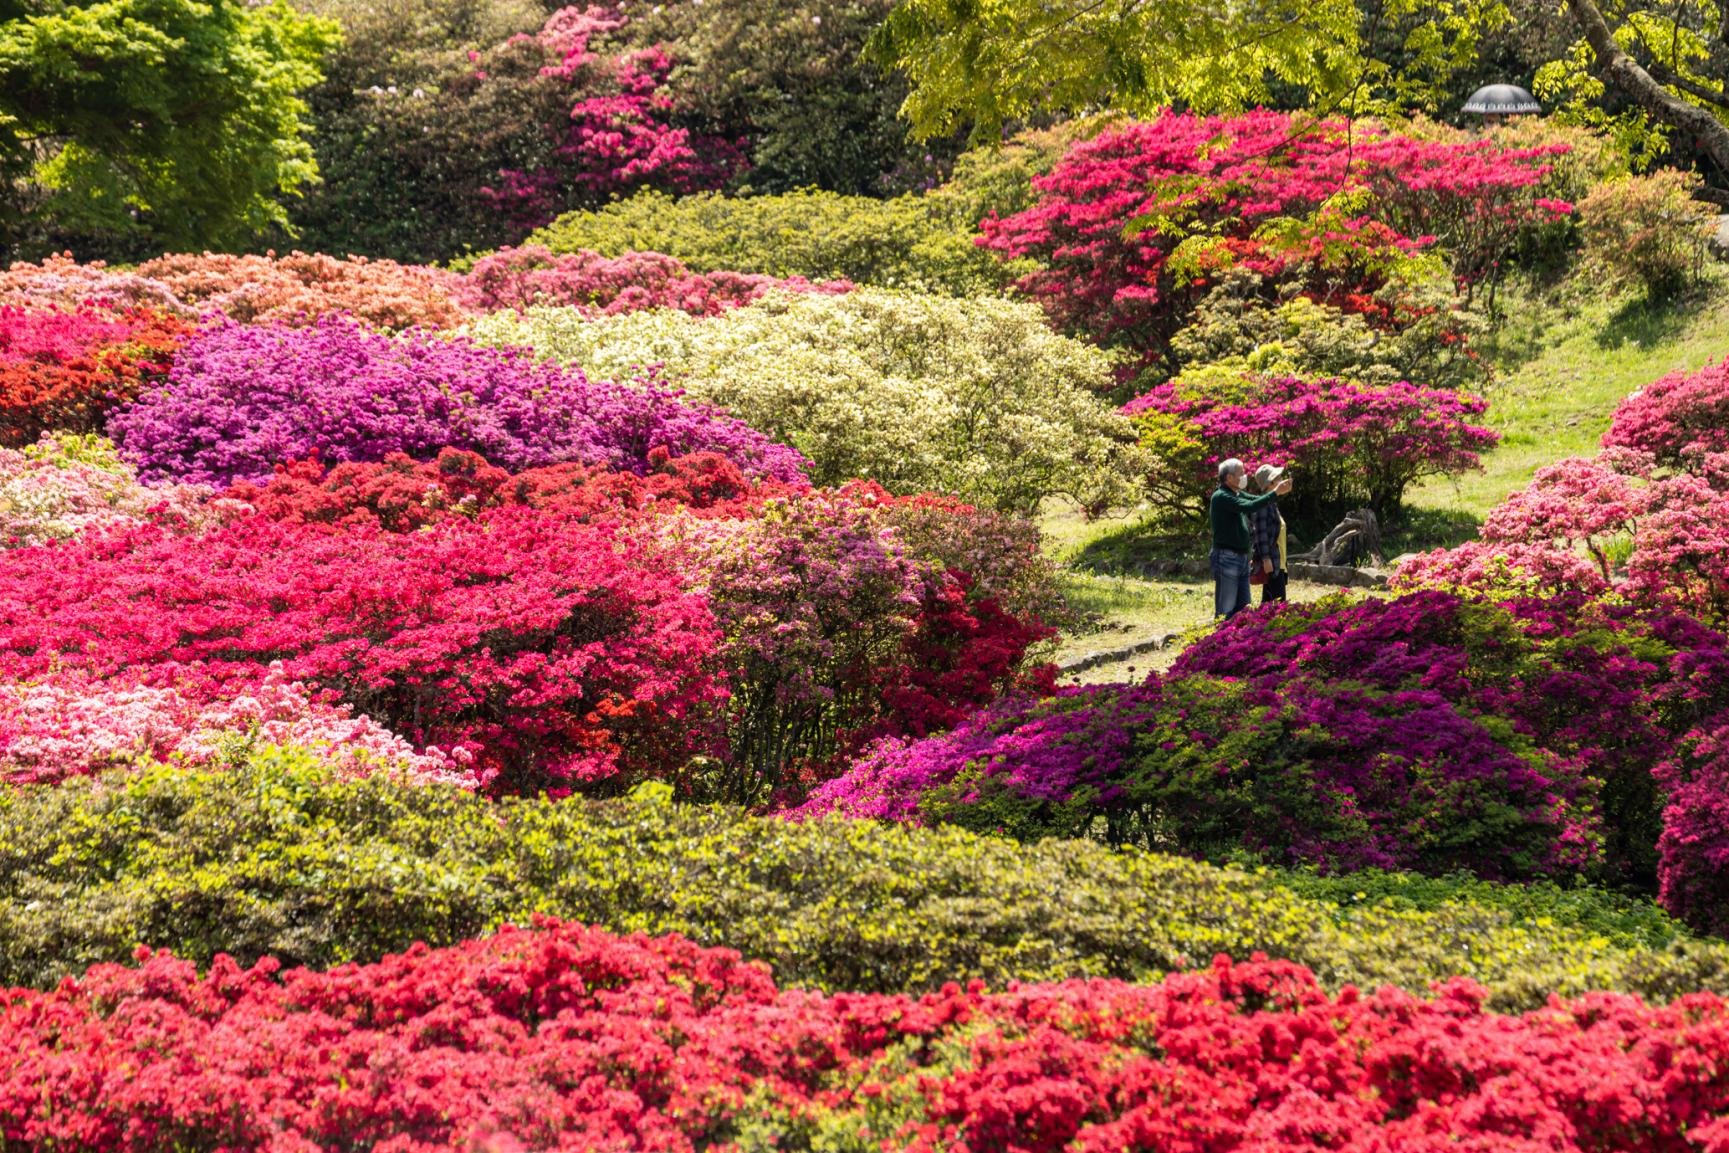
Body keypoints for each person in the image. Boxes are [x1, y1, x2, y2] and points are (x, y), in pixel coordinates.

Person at [1209, 458, 1290, 620]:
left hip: (1241, 557)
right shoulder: (1221, 496)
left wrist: (1275, 494)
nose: (1244, 476)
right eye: (1241, 473)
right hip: (1227, 557)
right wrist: (1274, 493)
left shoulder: (1236, 493)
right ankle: (1221, 641)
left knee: (1244, 608)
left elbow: (1254, 500)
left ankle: (1238, 641)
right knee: (1226, 609)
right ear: (1229, 478)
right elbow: (1248, 507)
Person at [1249, 463, 1289, 606]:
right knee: (1276, 605)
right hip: (1272, 561)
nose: (1282, 479)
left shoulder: (1272, 503)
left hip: (1280, 562)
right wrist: (1266, 558)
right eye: (1278, 477)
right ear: (1271, 482)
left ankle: (1262, 628)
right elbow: (1260, 533)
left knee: (1271, 604)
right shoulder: (1263, 504)